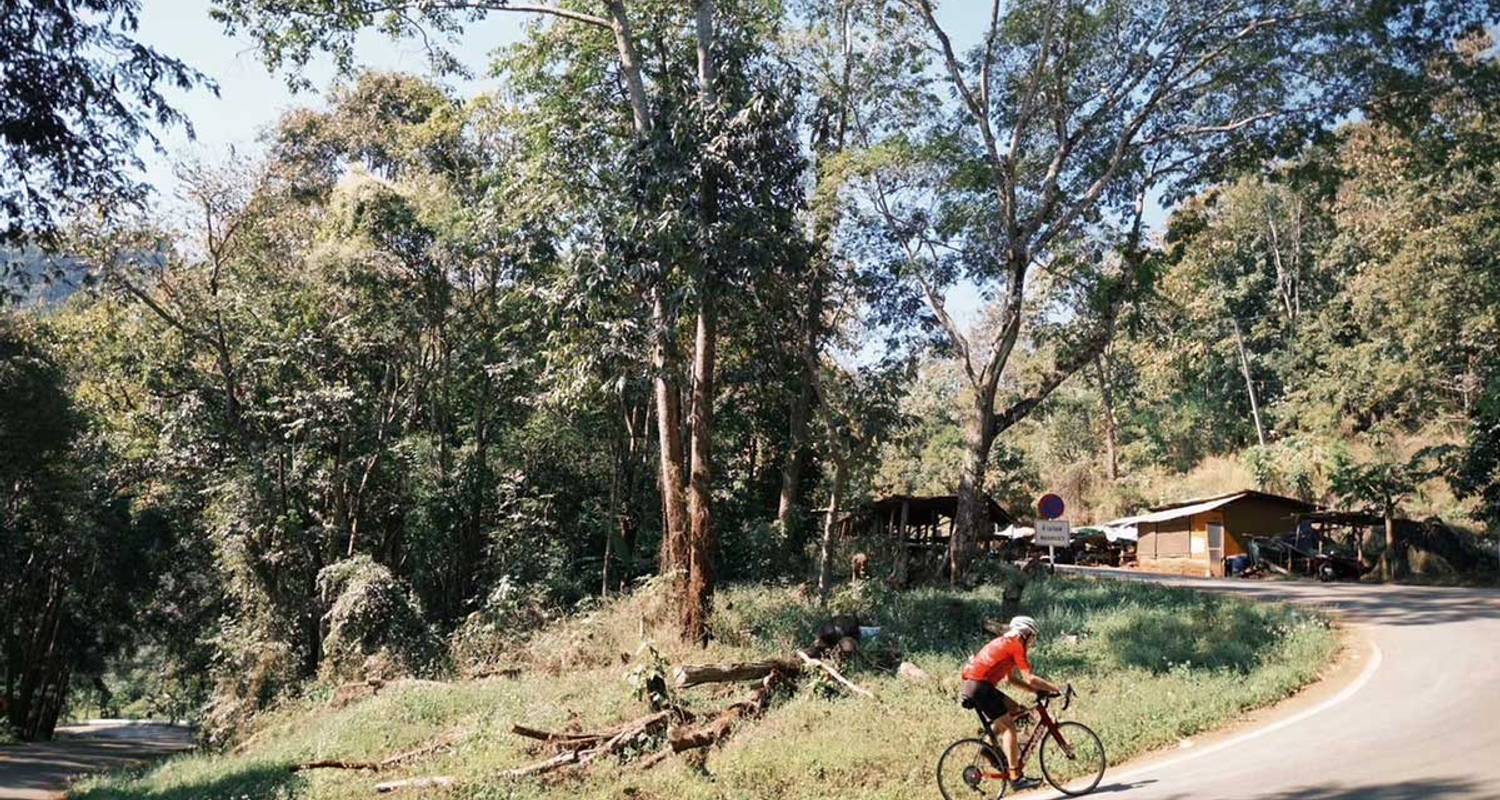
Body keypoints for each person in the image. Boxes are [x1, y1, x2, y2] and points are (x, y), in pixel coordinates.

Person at [959, 615, 1061, 790]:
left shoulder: (1007, 642)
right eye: (1032, 636)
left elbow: (1011, 680)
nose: (1032, 640)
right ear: (1025, 633)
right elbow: (1030, 678)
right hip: (980, 687)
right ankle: (1016, 777)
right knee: (1009, 728)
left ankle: (988, 748)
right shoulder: (1016, 645)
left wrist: (1036, 691)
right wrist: (1056, 688)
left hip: (978, 686)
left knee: (1016, 710)